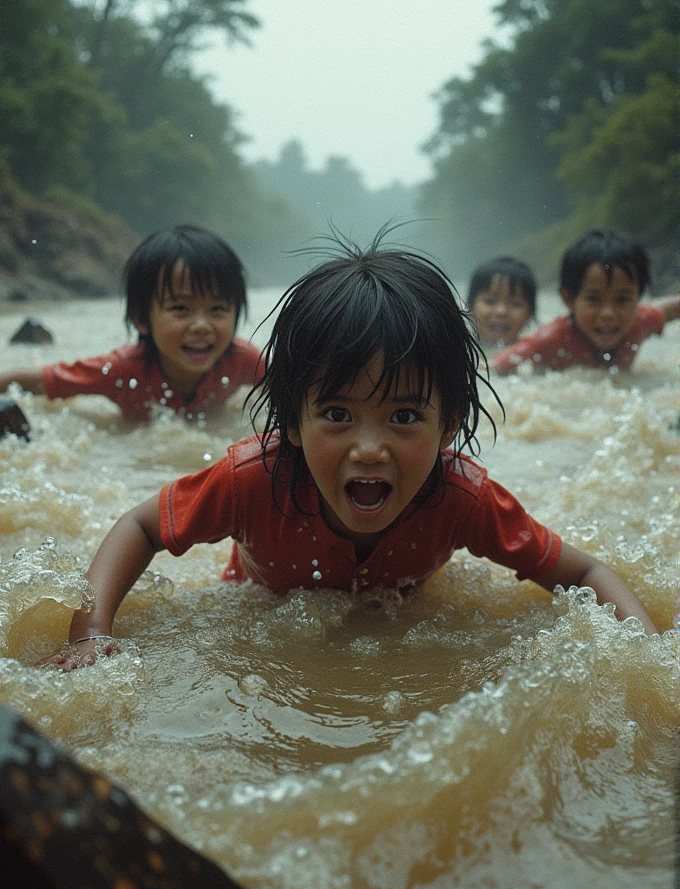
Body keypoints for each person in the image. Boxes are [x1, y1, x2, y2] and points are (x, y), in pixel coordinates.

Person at [40, 233, 659, 672]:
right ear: (291, 419)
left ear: (451, 424)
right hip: (256, 607)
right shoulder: (254, 479)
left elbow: (585, 573)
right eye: (337, 415)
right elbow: (141, 525)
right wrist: (91, 633)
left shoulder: (462, 495)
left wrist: (650, 659)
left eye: (404, 417)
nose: (370, 449)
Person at [0, 225, 263, 421]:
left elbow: (293, 385)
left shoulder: (242, 360)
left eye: (217, 309)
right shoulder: (121, 371)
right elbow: (35, 381)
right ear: (142, 319)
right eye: (181, 308)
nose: (201, 325)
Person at [491, 229, 680, 375]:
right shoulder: (550, 338)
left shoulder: (641, 321)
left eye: (622, 299)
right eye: (593, 299)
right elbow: (496, 366)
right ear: (568, 299)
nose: (608, 313)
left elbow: (671, 308)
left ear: (638, 298)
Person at [467, 256, 536, 349]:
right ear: (470, 305)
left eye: (515, 304)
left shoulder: (538, 352)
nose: (501, 311)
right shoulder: (453, 351)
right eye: (490, 301)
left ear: (530, 312)